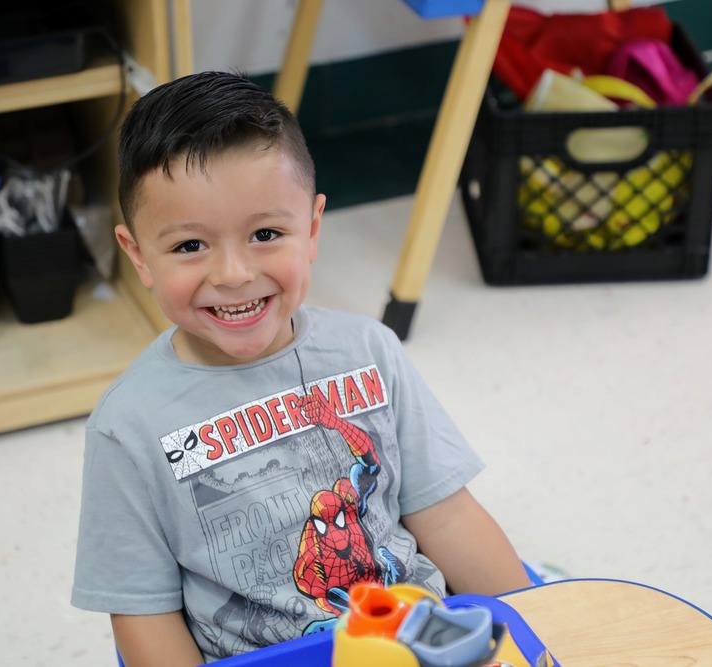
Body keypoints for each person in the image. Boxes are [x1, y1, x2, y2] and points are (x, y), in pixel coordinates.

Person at [71, 71, 530, 666]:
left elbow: (446, 515)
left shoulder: (370, 351)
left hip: (410, 638)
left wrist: (532, 624)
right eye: (190, 246)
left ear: (311, 228)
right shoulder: (127, 425)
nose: (233, 273)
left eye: (266, 234)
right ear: (139, 255)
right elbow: (142, 610)